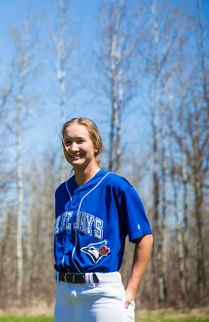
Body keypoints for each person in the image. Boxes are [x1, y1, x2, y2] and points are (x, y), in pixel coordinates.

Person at [53, 117, 153, 322]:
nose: (73, 148)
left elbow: (144, 237)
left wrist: (131, 290)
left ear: (96, 145)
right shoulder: (61, 192)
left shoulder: (116, 186)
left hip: (101, 294)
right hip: (64, 294)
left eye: (80, 141)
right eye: (67, 142)